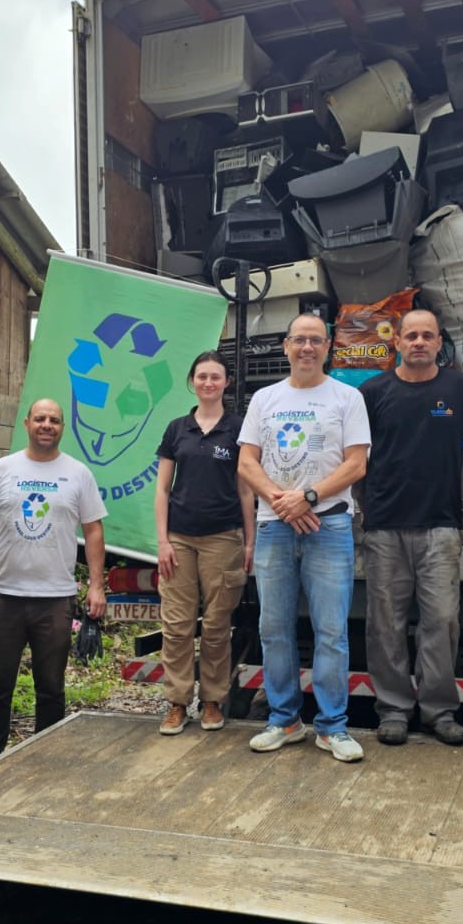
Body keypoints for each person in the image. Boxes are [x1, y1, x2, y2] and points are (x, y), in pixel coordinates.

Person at [237, 312, 370, 763]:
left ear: (328, 348)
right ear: (287, 346)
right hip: (275, 524)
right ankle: (285, 721)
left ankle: (332, 727)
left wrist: (307, 497)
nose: (307, 348)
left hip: (329, 524)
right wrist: (282, 501)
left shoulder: (347, 398)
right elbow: (247, 463)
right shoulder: (264, 399)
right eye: (299, 340)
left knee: (331, 631)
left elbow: (356, 464)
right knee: (273, 629)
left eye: (316, 340)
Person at [359, 307, 463, 748]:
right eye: (411, 335)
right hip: (384, 526)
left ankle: (439, 711)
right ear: (396, 341)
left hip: (441, 526)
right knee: (385, 624)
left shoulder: (461, 387)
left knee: (442, 620)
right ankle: (394, 710)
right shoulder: (372, 392)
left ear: (440, 343)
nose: (419, 342)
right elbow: (353, 458)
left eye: (427, 336)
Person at [0, 398, 107, 763]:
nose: (46, 425)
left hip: (55, 599)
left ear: (62, 427)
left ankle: (46, 760)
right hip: (5, 598)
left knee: (50, 687)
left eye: (54, 420)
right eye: (40, 419)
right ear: (27, 424)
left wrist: (96, 585)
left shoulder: (78, 473)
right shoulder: (3, 469)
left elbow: (94, 530)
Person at [153, 352, 254, 736]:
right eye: (202, 377)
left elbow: (246, 490)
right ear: (192, 381)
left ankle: (212, 700)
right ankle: (177, 703)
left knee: (215, 625)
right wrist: (162, 541)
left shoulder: (239, 429)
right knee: (177, 626)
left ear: (226, 383)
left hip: (224, 538)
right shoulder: (177, 429)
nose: (209, 383)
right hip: (179, 538)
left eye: (216, 377)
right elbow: (162, 489)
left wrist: (248, 542)